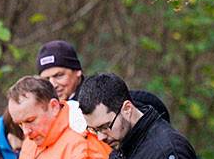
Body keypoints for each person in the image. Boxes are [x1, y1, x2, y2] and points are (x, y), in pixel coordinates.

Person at [36, 39, 172, 129]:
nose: (53, 84)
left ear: (77, 71)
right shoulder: (43, 111)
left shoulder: (101, 97)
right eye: (46, 79)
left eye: (59, 75)